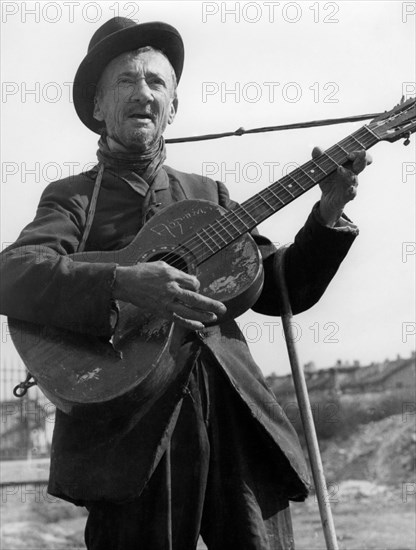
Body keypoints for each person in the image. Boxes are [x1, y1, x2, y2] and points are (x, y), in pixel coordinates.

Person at [0, 17, 372, 550]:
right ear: (98, 107)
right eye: (126, 81)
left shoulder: (209, 196)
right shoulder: (73, 199)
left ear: (173, 107)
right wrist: (122, 282)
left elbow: (281, 289)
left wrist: (328, 215)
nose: (143, 93)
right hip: (130, 432)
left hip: (233, 417)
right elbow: (11, 275)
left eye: (157, 82)